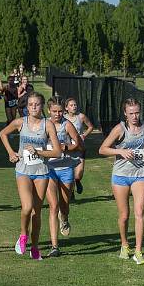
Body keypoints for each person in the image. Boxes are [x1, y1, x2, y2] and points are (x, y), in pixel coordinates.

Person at [0, 92, 62, 260]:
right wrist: (11, 152)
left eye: (37, 104)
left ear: (42, 106)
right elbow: (3, 133)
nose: (34, 107)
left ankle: (35, 247)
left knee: (37, 212)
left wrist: (39, 152)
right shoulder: (21, 122)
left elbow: (57, 151)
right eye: (31, 104)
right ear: (27, 107)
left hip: (41, 172)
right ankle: (22, 235)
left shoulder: (48, 125)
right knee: (27, 207)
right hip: (23, 170)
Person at [98, 98, 144, 264]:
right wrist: (120, 151)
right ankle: (124, 244)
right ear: (125, 114)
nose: (135, 116)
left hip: (140, 173)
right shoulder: (119, 129)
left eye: (137, 112)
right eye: (131, 113)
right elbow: (102, 149)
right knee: (124, 215)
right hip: (121, 175)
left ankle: (138, 251)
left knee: (139, 211)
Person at [45, 97, 84, 256]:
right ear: (49, 111)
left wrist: (66, 147)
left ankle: (65, 218)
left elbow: (79, 144)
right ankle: (55, 246)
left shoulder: (67, 125)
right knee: (53, 206)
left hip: (66, 167)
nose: (57, 114)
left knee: (64, 205)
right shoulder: (45, 125)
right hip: (49, 168)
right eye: (54, 111)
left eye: (60, 111)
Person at [64, 98, 94, 196]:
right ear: (66, 108)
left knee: (79, 172)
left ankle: (77, 181)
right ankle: (71, 191)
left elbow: (90, 126)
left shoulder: (81, 117)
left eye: (75, 105)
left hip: (80, 147)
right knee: (70, 171)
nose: (74, 107)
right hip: (68, 148)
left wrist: (84, 135)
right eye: (71, 105)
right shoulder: (63, 118)